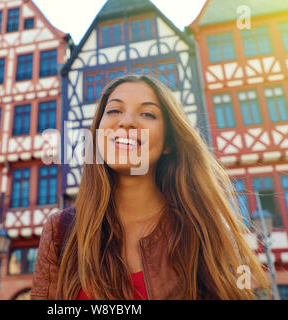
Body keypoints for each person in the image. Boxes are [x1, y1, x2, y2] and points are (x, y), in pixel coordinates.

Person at [31, 74, 271, 300]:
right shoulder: (60, 233)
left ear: (168, 143)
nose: (126, 122)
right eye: (114, 110)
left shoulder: (203, 231)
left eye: (147, 114)